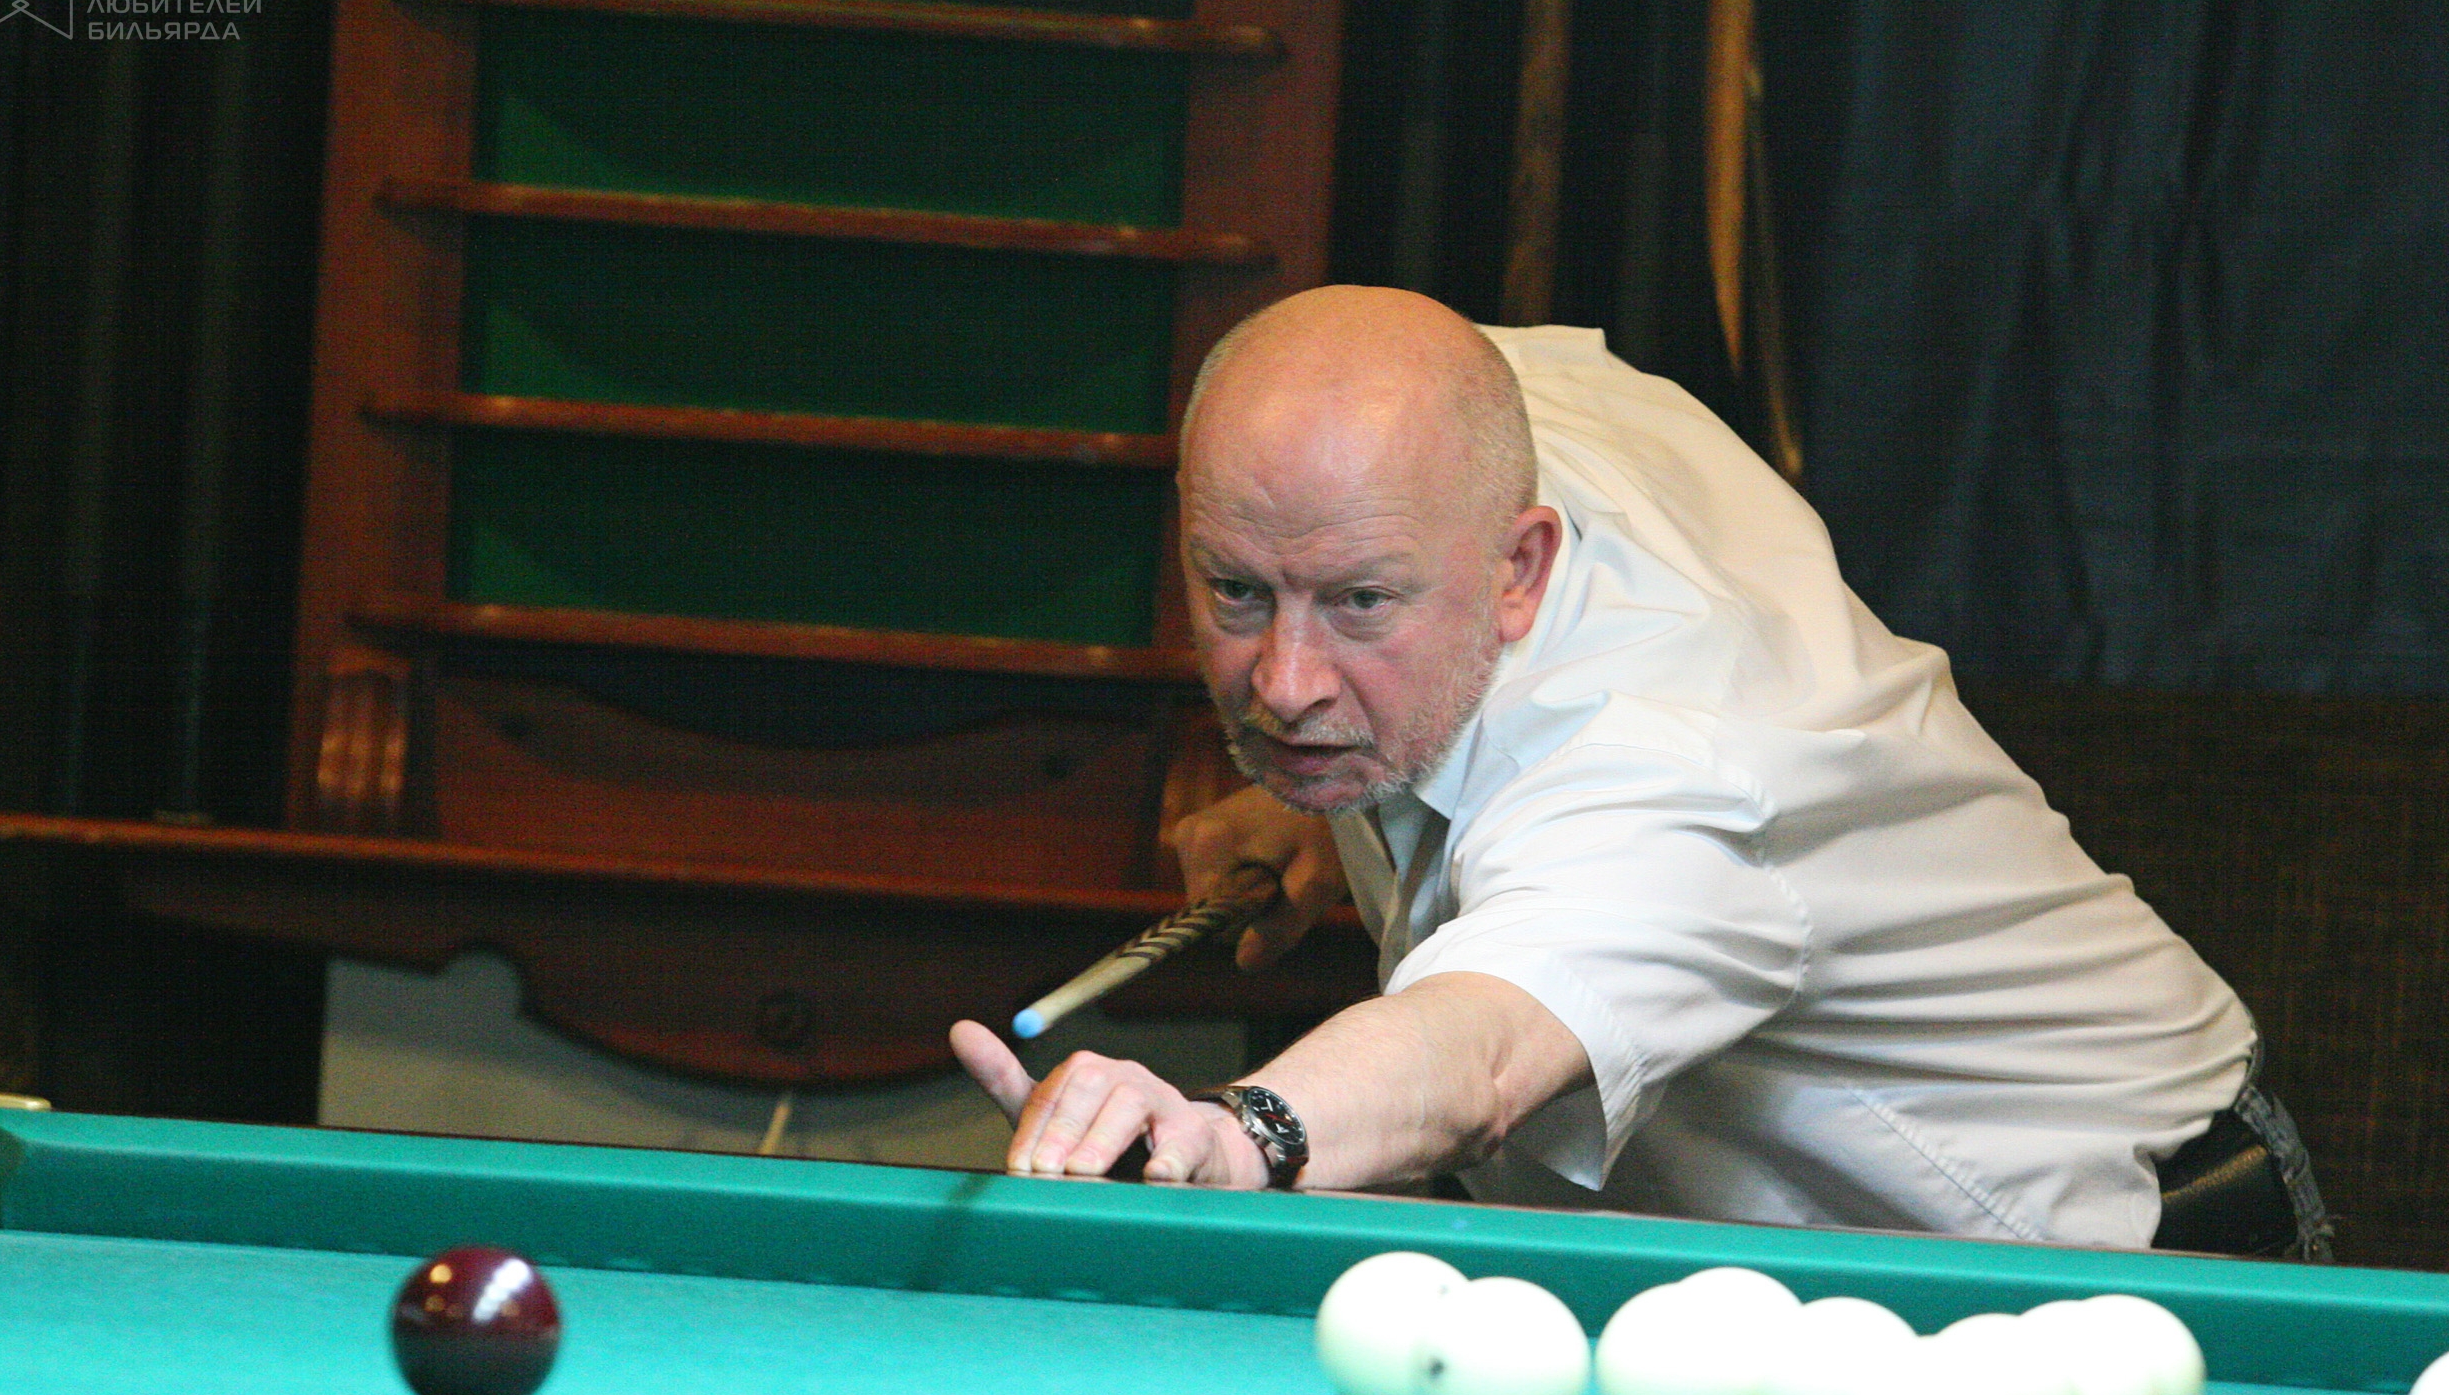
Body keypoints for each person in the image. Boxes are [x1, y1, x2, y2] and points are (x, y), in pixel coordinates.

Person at [949, 286, 2327, 1255]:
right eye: (1236, 593)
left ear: (1522, 567)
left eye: (1361, 604)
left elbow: (1480, 1051)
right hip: (1793, 1273)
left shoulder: (1673, 762)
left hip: (2105, 1252)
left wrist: (1245, 1135)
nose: (1285, 683)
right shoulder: (1465, 415)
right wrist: (1336, 798)